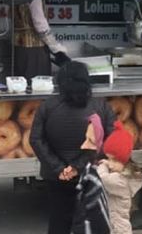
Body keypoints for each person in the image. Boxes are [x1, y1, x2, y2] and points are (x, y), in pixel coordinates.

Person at [30, 62, 115, 234]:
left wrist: (60, 168)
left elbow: (36, 139)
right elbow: (108, 141)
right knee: (90, 221)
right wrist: (77, 167)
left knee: (59, 221)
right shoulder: (101, 106)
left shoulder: (47, 106)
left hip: (56, 177)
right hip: (90, 175)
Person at [14, 0, 70, 79]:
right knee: (38, 86)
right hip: (35, 50)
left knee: (22, 85)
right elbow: (40, 23)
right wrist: (56, 47)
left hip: (19, 47)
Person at [97, 121, 142, 234]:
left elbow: (103, 179)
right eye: (108, 159)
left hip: (119, 228)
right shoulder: (123, 175)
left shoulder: (121, 180)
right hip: (116, 225)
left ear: (124, 160)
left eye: (114, 160)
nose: (110, 164)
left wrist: (103, 165)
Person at [74, 115, 111, 234]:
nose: (83, 146)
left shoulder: (93, 178)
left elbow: (98, 222)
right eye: (85, 139)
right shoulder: (90, 172)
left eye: (91, 141)